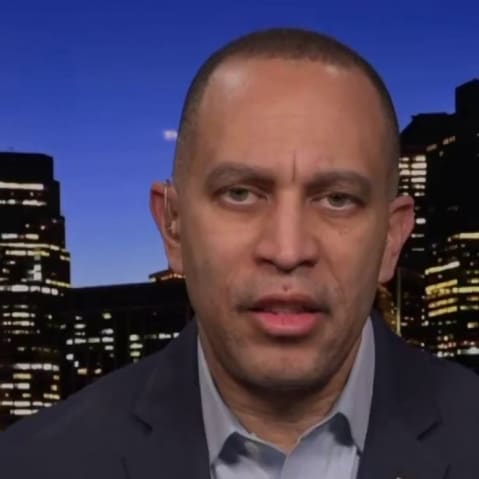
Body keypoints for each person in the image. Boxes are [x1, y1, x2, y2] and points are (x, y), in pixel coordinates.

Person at [1, 27, 478, 479]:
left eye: (337, 199)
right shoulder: (32, 464)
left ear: (392, 238)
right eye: (240, 194)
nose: (288, 251)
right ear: (173, 226)